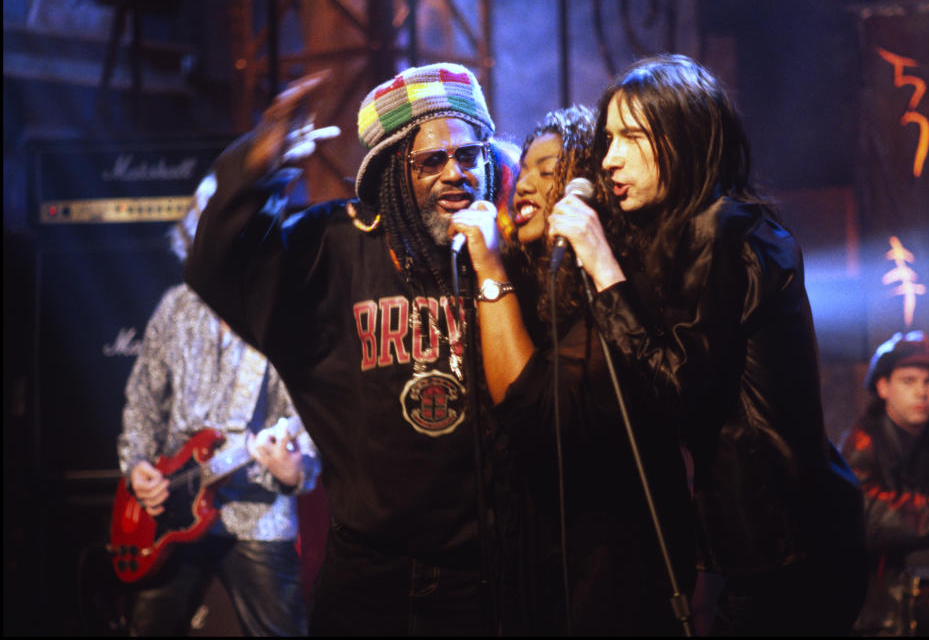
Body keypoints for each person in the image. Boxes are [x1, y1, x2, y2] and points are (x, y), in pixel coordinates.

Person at [528, 54, 868, 635]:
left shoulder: (725, 230)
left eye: (632, 138)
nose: (609, 158)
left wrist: (602, 263)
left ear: (684, 139)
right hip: (773, 545)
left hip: (792, 550)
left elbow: (675, 386)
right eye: (608, 138)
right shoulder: (687, 233)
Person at [183, 63, 520, 635]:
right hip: (371, 581)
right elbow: (216, 264)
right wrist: (257, 166)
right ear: (391, 170)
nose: (455, 174)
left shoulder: (507, 252)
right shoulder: (333, 248)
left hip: (492, 577)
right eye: (430, 161)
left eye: (469, 157)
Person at [450, 105, 698, 635]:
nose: (526, 186)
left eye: (549, 170)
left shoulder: (618, 290)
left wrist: (491, 273)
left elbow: (537, 415)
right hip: (537, 559)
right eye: (525, 173)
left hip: (612, 568)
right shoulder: (533, 288)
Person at [117, 184, 322, 637]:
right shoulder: (176, 307)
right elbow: (143, 401)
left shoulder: (286, 313)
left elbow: (310, 420)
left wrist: (295, 469)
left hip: (258, 514)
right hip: (169, 510)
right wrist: (136, 467)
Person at [840, 331, 929, 636]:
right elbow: (870, 515)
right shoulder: (862, 441)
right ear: (883, 386)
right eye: (909, 380)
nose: (922, 392)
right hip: (884, 598)